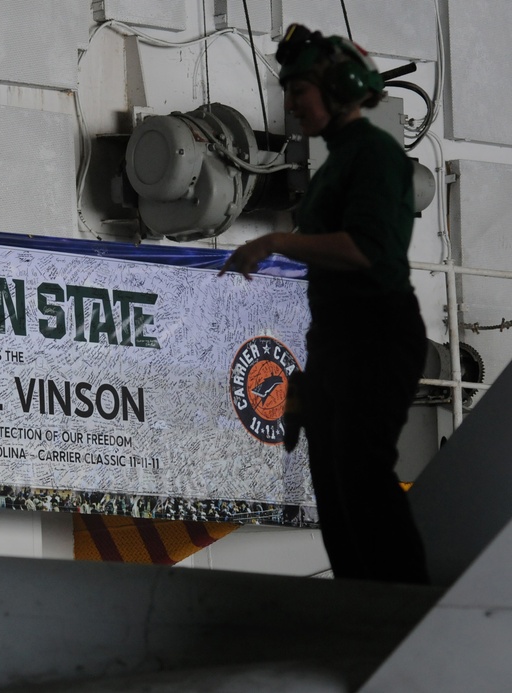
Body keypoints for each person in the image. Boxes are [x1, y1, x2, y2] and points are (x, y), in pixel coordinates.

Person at [219, 25, 429, 583]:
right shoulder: (337, 161)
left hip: (379, 333)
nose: (292, 105)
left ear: (337, 89)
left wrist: (275, 240)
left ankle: (401, 610)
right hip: (339, 341)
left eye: (300, 91)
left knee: (362, 475)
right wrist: (307, 384)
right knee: (333, 490)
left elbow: (367, 249)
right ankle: (359, 610)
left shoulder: (376, 155)